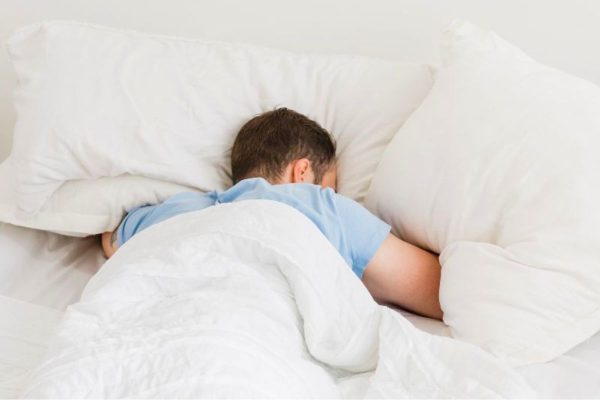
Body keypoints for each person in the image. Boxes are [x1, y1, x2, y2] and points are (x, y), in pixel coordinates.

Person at [101, 108, 443, 320]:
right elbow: (440, 293)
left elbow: (112, 246)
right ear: (302, 171)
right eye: (331, 184)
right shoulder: (320, 205)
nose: (331, 193)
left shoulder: (170, 211)